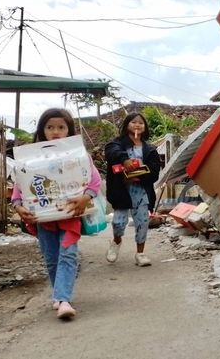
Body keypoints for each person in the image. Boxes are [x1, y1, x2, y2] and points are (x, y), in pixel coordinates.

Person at [12, 108, 101, 320]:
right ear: (42, 130)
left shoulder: (79, 156)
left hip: (70, 216)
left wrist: (85, 198)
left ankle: (63, 300)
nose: (56, 132)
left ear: (69, 130)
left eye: (61, 127)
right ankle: (59, 295)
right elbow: (19, 187)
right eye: (50, 127)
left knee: (68, 255)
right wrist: (17, 206)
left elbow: (94, 182)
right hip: (43, 220)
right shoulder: (30, 159)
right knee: (51, 259)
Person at [104, 112, 160, 267]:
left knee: (142, 222)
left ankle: (140, 254)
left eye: (141, 123)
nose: (137, 125)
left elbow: (154, 171)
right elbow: (111, 152)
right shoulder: (117, 144)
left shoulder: (150, 149)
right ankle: (116, 242)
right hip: (122, 190)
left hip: (141, 191)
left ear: (145, 127)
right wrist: (125, 159)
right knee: (118, 223)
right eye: (133, 122)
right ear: (127, 125)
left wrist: (139, 176)